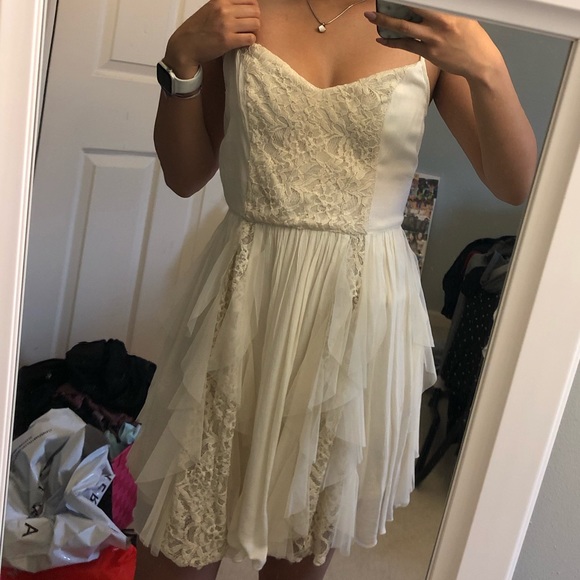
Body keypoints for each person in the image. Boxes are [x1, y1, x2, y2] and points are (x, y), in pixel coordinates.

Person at [127, 1, 537, 579]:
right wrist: (181, 61)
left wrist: (487, 66)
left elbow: (513, 183)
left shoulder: (429, 20)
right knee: (179, 532)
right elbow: (184, 174)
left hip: (355, 318)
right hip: (242, 303)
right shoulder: (243, 7)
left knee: (299, 547)